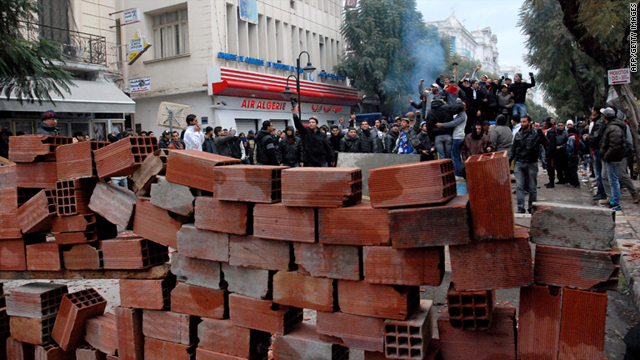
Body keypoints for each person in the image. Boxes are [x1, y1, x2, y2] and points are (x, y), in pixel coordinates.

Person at [509, 116, 545, 213]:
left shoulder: (535, 134)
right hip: (520, 162)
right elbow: (513, 150)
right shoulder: (518, 134)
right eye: (521, 122)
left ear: (529, 122)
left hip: (531, 163)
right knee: (519, 186)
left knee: (532, 187)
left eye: (524, 122)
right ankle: (521, 208)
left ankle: (532, 207)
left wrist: (540, 131)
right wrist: (508, 162)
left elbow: (544, 142)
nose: (522, 124)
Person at [600, 107, 628, 210]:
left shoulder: (613, 128)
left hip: (613, 158)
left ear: (605, 116)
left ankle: (615, 202)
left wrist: (607, 156)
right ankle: (613, 200)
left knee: (613, 180)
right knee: (612, 179)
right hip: (613, 157)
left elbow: (614, 146)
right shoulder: (613, 126)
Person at [436, 103, 467, 178]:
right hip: (457, 136)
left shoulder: (462, 115)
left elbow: (453, 123)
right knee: (456, 155)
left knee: (455, 156)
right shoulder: (460, 114)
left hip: (458, 137)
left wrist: (442, 125)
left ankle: (458, 174)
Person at [554, 121, 569, 185]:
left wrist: (561, 147)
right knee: (558, 167)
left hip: (564, 152)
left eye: (561, 125)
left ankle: (566, 179)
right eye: (559, 125)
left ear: (564, 126)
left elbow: (567, 142)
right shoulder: (555, 133)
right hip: (557, 152)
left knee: (565, 166)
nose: (560, 127)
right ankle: (560, 179)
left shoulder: (565, 133)